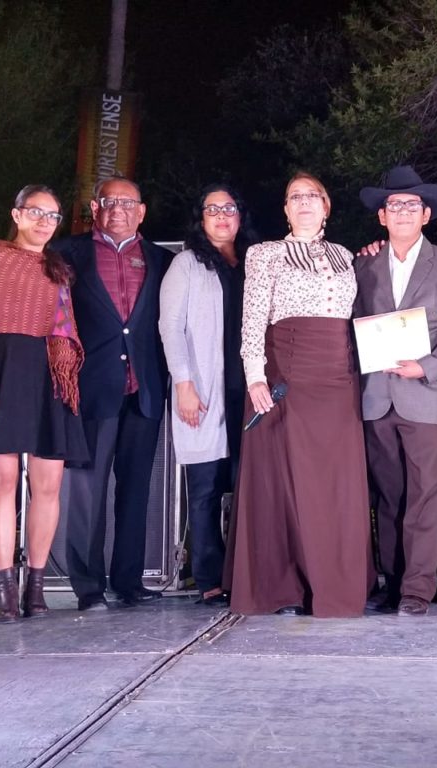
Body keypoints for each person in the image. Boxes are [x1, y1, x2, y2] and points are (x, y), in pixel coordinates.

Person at [226, 171, 373, 618]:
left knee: (336, 483)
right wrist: (255, 377)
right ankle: (285, 587)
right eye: (295, 197)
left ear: (326, 206)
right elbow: (253, 319)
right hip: (288, 375)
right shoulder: (264, 254)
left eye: (313, 196)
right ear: (286, 209)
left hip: (339, 378)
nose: (304, 202)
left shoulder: (347, 256)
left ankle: (337, 584)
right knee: (288, 482)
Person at [0, 185, 88, 623]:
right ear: (17, 214)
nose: (45, 222)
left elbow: (64, 330)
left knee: (48, 484)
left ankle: (36, 587)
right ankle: (5, 588)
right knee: (1, 479)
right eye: (36, 212)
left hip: (49, 375)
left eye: (53, 216)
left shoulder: (57, 267)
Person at [354, 166, 437, 617]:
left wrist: (427, 366)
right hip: (375, 396)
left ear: (426, 214)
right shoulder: (362, 264)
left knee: (426, 495)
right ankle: (392, 582)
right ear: (382, 216)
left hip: (424, 395)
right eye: (394, 205)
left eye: (411, 205)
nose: (402, 211)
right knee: (388, 496)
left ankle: (418, 589)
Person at [57, 177, 173, 610]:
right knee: (87, 492)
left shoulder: (163, 260)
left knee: (136, 490)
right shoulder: (67, 254)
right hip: (91, 388)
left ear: (142, 212)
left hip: (144, 389)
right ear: (95, 208)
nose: (119, 209)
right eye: (110, 201)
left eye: (128, 202)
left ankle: (129, 581)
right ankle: (88, 587)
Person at [159, 183, 253, 606]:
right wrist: (184, 383)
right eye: (212, 209)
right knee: (205, 490)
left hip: (248, 392)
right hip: (204, 390)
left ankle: (246, 574)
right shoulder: (187, 264)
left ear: (240, 216)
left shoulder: (255, 261)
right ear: (201, 218)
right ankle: (210, 577)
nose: (221, 216)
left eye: (229, 208)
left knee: (250, 487)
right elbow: (170, 327)